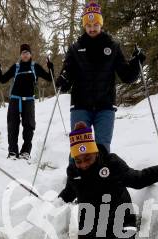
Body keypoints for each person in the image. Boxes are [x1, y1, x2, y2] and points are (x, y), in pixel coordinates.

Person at [55, 2, 146, 152]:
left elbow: (127, 76)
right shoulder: (75, 48)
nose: (92, 28)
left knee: (102, 148)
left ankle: (102, 175)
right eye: (89, 25)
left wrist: (137, 61)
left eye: (95, 24)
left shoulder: (112, 46)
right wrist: (63, 79)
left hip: (105, 106)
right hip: (80, 105)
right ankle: (75, 175)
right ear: (84, 25)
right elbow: (66, 79)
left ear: (101, 24)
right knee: (80, 148)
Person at [0, 44, 54, 159]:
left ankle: (25, 152)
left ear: (30, 54)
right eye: (23, 53)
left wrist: (50, 67)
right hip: (15, 100)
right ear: (20, 55)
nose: (25, 55)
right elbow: (3, 80)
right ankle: (12, 151)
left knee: (29, 126)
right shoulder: (16, 67)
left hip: (29, 100)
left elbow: (49, 78)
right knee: (12, 126)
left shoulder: (35, 67)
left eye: (27, 52)